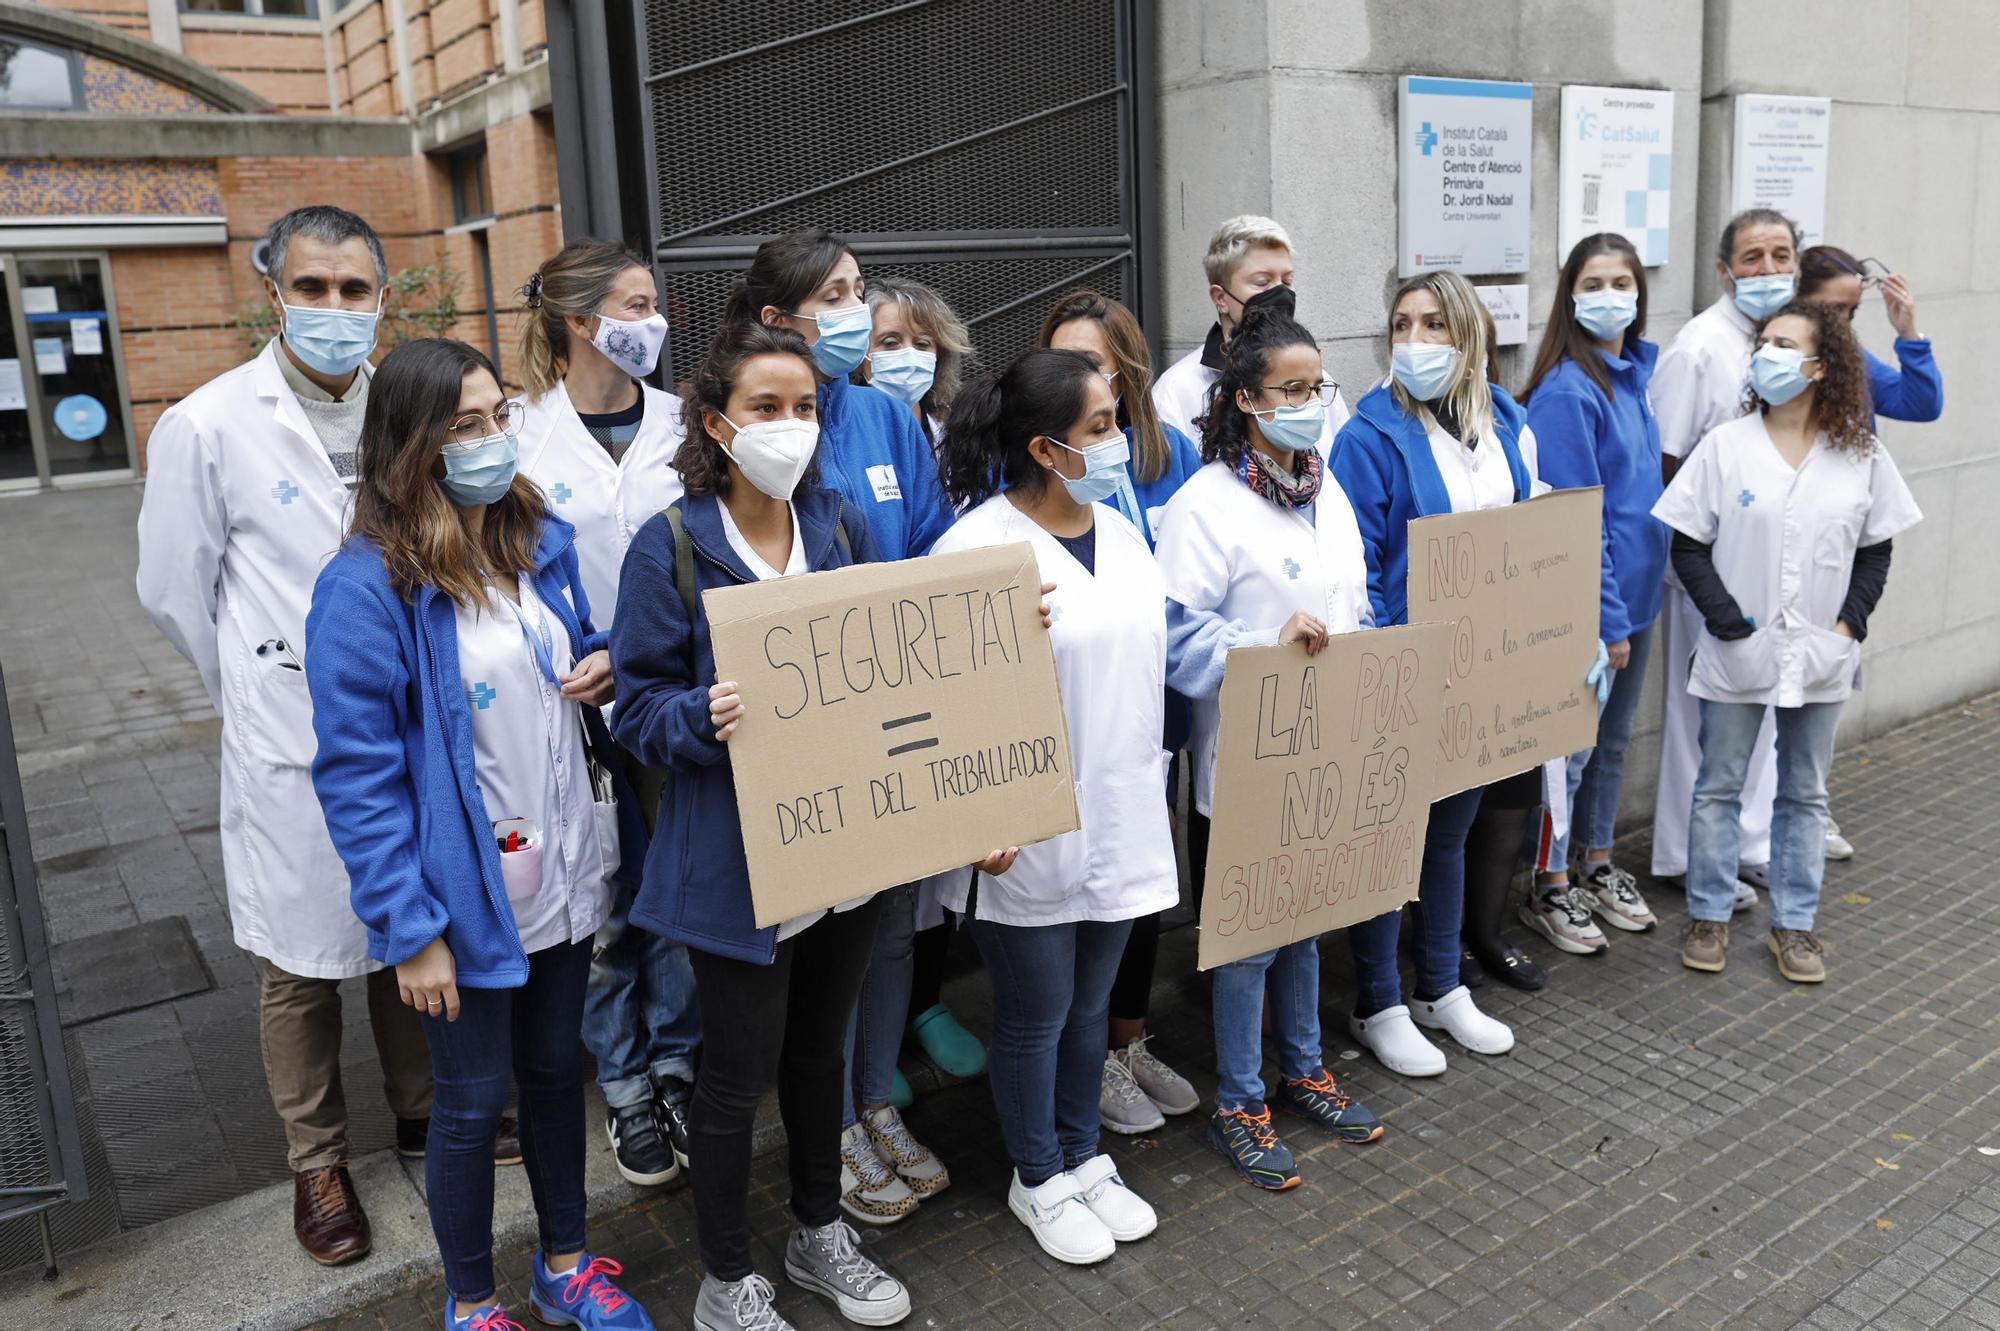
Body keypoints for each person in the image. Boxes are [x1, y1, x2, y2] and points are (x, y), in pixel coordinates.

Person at [135, 205, 495, 1267]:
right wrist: (255, 687)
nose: (335, 309)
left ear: (382, 297)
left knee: (404, 923)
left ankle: (423, 1110)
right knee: (299, 961)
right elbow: (171, 590)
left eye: (354, 290)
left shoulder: (405, 404)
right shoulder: (207, 423)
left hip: (411, 708)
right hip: (286, 733)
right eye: (313, 288)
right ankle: (318, 1160)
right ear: (273, 292)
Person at [305, 337, 652, 1331]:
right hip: (462, 899)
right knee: (467, 1104)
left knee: (554, 1078)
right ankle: (471, 1301)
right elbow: (356, 775)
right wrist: (407, 927)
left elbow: (572, 641)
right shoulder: (366, 587)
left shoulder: (526, 534)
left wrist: (599, 663)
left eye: (498, 414)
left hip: (561, 868)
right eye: (465, 425)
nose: (492, 438)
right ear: (412, 443)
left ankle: (566, 1266)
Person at [610, 321, 912, 1331]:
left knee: (818, 1055)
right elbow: (636, 707)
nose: (789, 426)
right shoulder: (673, 545)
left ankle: (818, 1231)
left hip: (846, 848)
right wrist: (696, 716)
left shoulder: (835, 524)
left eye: (804, 408)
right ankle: (725, 1276)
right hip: (737, 864)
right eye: (765, 408)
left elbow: (894, 652)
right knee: (734, 1079)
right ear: (715, 423)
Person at [727, 229, 954, 1223]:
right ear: (776, 317)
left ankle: (873, 1101)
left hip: (898, 713)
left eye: (859, 289)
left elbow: (939, 540)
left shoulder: (884, 417)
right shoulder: (759, 427)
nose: (857, 311)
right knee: (818, 942)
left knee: (892, 926)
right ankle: (824, 1128)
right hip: (804, 736)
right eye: (835, 294)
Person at [930, 346, 1173, 1263]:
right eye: (1100, 427)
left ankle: (1083, 1153)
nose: (1118, 441)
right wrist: (972, 816)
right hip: (1023, 829)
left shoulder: (1121, 528)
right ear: (1045, 446)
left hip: (1122, 807)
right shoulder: (975, 550)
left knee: (1089, 1005)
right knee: (1035, 1009)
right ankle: (1036, 1174)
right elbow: (944, 708)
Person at [1155, 308, 1386, 1193]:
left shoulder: (1326, 489)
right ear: (1246, 400)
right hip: (1247, 758)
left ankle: (1304, 1068)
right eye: (1291, 390)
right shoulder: (1206, 504)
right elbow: (1172, 633)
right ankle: (1240, 1101)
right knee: (1250, 937)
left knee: (1306, 919)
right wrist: (1263, 646)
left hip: (1324, 751)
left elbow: (1355, 603)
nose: (1311, 403)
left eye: (1317, 387)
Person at [1330, 273, 1572, 1072]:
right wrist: (1393, 658)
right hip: (1405, 669)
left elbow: (1530, 527)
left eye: (1435, 325)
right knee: (1389, 841)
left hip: (1481, 672)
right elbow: (1354, 561)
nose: (1416, 342)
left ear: (1469, 337)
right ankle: (1379, 999)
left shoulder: (1506, 420)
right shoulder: (1369, 435)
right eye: (1402, 324)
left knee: (1452, 831)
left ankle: (1439, 985)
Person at [1654, 299, 1919, 983]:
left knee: (1804, 792)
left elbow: (1875, 551)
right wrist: (1726, 619)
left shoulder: (1859, 452)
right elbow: (1688, 545)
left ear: (1820, 366)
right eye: (1763, 342)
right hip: (1737, 649)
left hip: (1823, 652)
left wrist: (1846, 625)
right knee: (1718, 786)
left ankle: (1795, 926)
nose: (1767, 353)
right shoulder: (1726, 446)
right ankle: (1709, 914)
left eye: (1784, 344)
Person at [514, 238, 700, 1190]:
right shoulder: (519, 435)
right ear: (581, 322)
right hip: (578, 705)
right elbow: (511, 572)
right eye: (633, 306)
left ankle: (677, 1065)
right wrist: (584, 650)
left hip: (674, 693)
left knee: (673, 888)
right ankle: (624, 1083)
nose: (652, 321)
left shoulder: (687, 421)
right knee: (603, 904)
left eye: (652, 303)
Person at [1036, 290, 1204, 1133]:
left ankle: (1127, 1041)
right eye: (1063, 362)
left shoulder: (1161, 457)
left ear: (1127, 370)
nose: (1081, 380)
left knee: (1141, 883)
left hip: (1152, 706)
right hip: (1075, 724)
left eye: (1094, 363)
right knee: (1081, 894)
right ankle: (1087, 1058)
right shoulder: (1028, 481)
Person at [1514, 234, 1668, 970]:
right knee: (1568, 756)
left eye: (1623, 281)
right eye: (1595, 281)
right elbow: (1579, 521)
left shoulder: (1635, 373)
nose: (1611, 293)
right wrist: (1607, 622)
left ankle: (1596, 861)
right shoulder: (1569, 391)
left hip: (1638, 599)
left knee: (1612, 745)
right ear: (1571, 295)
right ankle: (1549, 883)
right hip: (1592, 611)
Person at [1649, 209, 1802, 900]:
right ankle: (1687, 856)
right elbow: (1667, 459)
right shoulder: (1699, 347)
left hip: (1773, 560)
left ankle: (1748, 843)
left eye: (1780, 255)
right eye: (1752, 258)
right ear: (1723, 269)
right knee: (1697, 715)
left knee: (1764, 704)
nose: (1768, 271)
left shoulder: (1791, 341)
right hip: (1705, 563)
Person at [1796, 244, 1944, 861]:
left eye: (1851, 313)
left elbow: (1922, 403)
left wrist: (1908, 333)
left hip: (1842, 551)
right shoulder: (1783, 360)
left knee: (1826, 686)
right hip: (1787, 542)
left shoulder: (1852, 358)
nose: (1840, 326)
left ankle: (1810, 811)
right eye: (1832, 309)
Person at [1151, 215, 1351, 451]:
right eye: (1262, 282)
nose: (1280, 293)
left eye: (1287, 281)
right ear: (1220, 298)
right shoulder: (1177, 390)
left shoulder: (1319, 382)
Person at [859, 274, 972, 443]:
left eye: (922, 344)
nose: (909, 354)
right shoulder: (836, 437)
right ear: (860, 353)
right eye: (890, 342)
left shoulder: (956, 441)